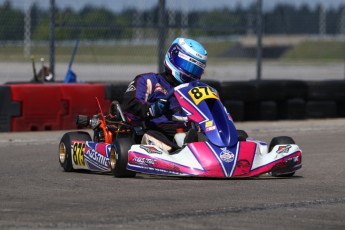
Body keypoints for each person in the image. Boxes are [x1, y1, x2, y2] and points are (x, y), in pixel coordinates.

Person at [121, 37, 207, 152]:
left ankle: (196, 149)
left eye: (196, 70)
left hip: (188, 133)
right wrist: (152, 109)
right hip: (156, 131)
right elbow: (130, 105)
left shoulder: (197, 89)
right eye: (189, 67)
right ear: (174, 58)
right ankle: (179, 152)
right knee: (154, 137)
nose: (191, 73)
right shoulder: (149, 80)